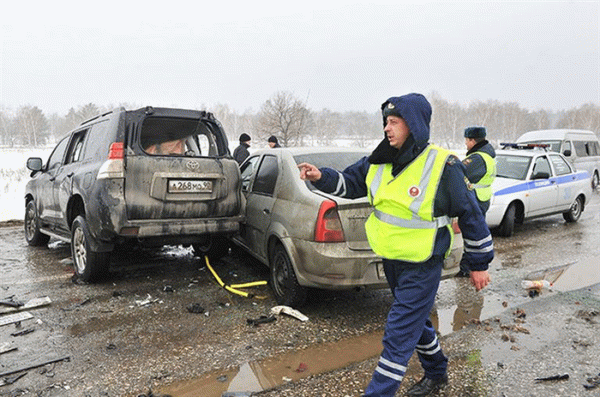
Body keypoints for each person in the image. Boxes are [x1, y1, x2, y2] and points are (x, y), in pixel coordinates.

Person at [298, 93, 493, 397]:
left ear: (413, 125)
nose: (387, 129)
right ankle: (437, 372)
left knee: (399, 333)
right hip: (391, 259)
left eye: (394, 122)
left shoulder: (444, 165)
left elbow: (470, 214)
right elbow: (350, 183)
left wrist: (479, 264)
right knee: (416, 324)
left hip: (423, 262)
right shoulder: (380, 160)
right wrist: (321, 176)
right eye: (385, 122)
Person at [456, 126, 496, 278]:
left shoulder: (477, 158)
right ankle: (468, 266)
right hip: (483, 196)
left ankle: (466, 268)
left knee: (471, 232)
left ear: (472, 140)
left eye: (467, 140)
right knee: (476, 231)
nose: (466, 144)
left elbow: (458, 173)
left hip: (476, 198)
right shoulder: (488, 155)